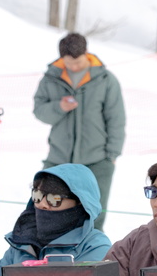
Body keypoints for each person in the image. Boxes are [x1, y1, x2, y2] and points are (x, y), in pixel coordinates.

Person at [33, 33, 125, 232]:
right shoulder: (50, 79)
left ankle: (92, 258)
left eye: (78, 62)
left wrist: (111, 155)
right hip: (59, 160)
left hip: (97, 160)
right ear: (61, 59)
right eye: (69, 63)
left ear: (86, 54)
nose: (74, 67)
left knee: (95, 214)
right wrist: (59, 107)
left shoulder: (106, 80)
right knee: (48, 210)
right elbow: (39, 111)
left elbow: (116, 118)